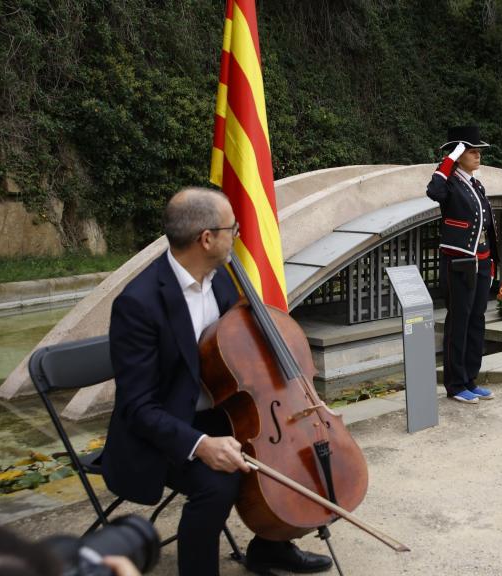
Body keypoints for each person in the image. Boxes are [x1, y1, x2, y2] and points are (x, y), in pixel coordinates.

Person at [102, 188, 332, 576]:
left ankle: (270, 548)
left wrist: (302, 398)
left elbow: (251, 357)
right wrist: (200, 444)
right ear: (206, 238)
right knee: (218, 483)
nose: (237, 236)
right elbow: (137, 406)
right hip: (164, 428)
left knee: (297, 457)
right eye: (232, 229)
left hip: (217, 411)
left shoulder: (222, 280)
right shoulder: (138, 303)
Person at [426, 126, 499, 404]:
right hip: (459, 262)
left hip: (480, 262)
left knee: (476, 320)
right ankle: (455, 385)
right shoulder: (449, 182)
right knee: (459, 321)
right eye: (471, 150)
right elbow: (433, 191)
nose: (478, 154)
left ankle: (470, 378)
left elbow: (487, 224)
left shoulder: (475, 183)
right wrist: (449, 157)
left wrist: (491, 260)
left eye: (478, 150)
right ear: (458, 154)